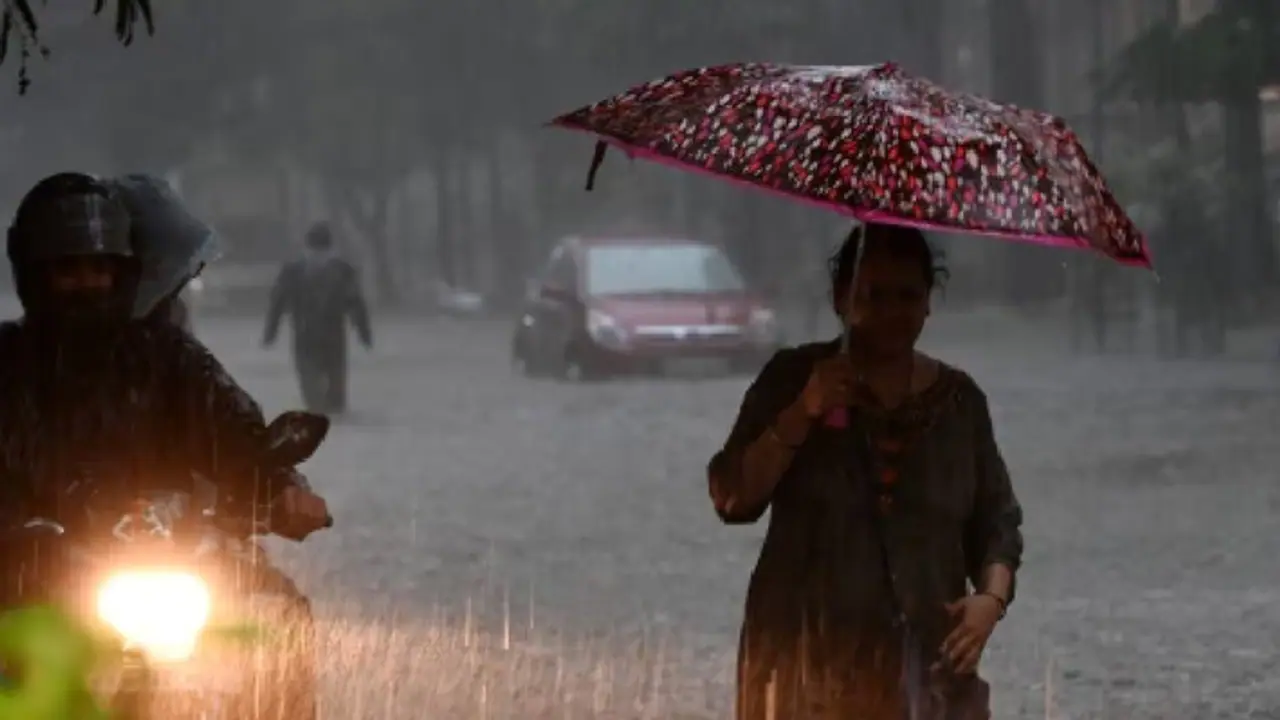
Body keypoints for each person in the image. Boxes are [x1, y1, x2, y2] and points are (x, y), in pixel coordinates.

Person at [707, 223, 1024, 719]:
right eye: (873, 295)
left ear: (928, 302)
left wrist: (989, 600)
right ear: (841, 297)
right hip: (805, 662)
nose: (892, 312)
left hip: (925, 669)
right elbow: (733, 497)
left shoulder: (961, 404)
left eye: (907, 295)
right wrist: (802, 412)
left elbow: (997, 522)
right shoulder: (792, 378)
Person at [0, 171, 331, 561]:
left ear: (122, 274)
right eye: (68, 271)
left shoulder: (168, 357)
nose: (87, 283)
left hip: (168, 560)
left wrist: (279, 486)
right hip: (28, 574)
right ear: (37, 278)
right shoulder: (8, 361)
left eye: (100, 269)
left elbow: (234, 434)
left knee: (276, 604)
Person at [263, 221, 372, 415]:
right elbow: (356, 304)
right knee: (333, 398)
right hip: (331, 338)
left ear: (306, 245)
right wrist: (364, 335)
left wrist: (270, 334)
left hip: (307, 338)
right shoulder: (342, 270)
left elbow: (277, 302)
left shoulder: (293, 271)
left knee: (315, 397)